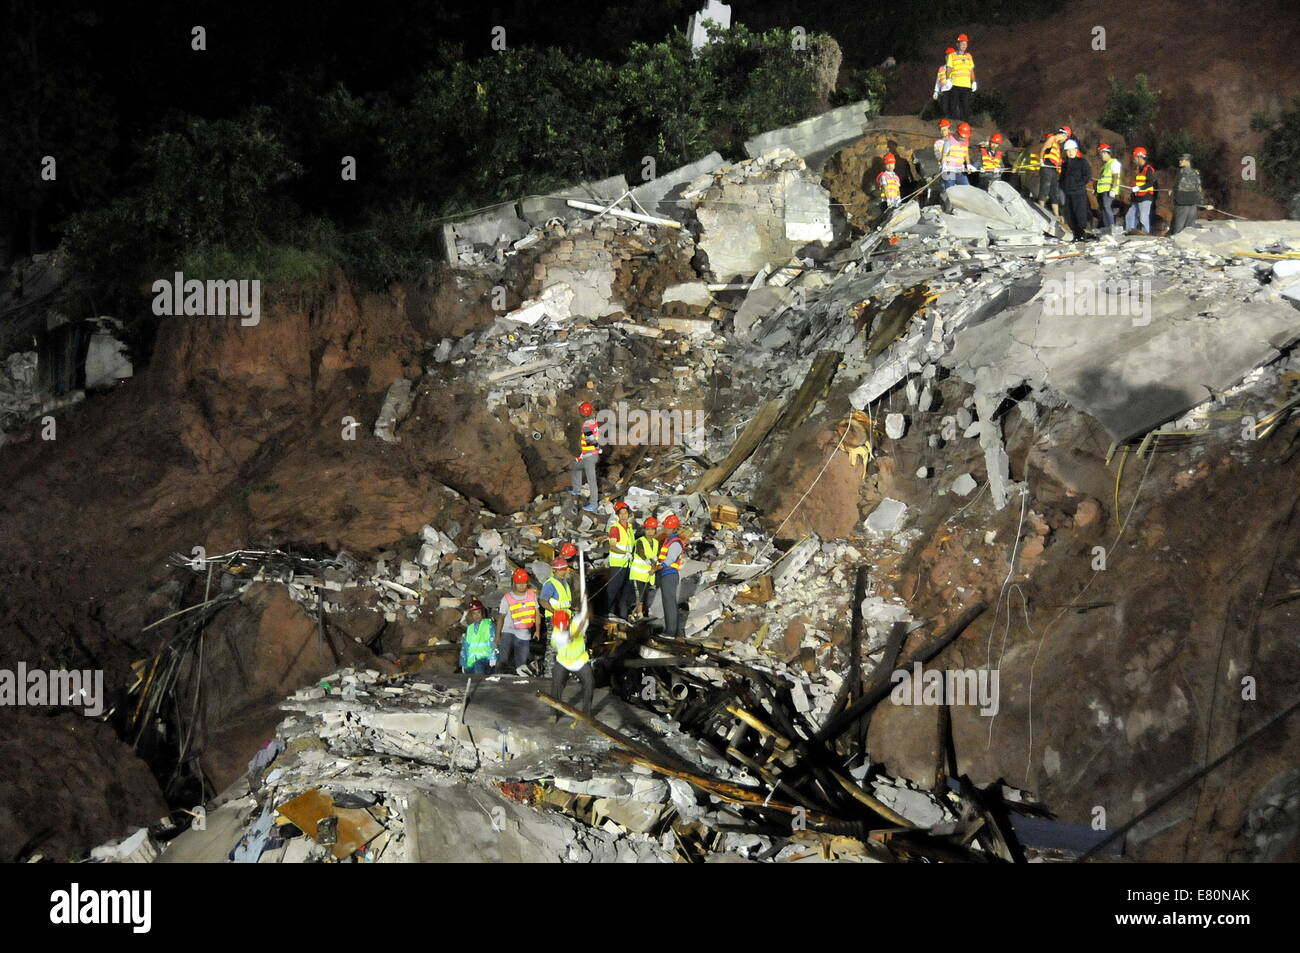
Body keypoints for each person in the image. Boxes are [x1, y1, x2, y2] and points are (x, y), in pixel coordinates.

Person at [547, 610, 594, 716]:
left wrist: (586, 613)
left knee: (589, 683)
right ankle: (553, 714)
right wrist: (578, 631)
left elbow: (587, 614)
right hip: (563, 662)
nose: (562, 628)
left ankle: (587, 714)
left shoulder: (577, 621)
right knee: (556, 685)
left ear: (568, 621)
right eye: (559, 626)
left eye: (564, 625)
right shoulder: (556, 634)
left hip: (580, 661)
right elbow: (570, 638)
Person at [497, 568, 538, 674]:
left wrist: (537, 630)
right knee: (502, 661)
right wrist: (498, 636)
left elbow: (536, 614)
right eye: (519, 583)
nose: (522, 586)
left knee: (521, 665)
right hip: (508, 632)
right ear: (514, 583)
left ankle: (520, 687)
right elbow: (501, 618)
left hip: (524, 634)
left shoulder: (532, 596)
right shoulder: (507, 598)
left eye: (524, 583)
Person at [539, 557, 574, 676]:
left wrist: (571, 609)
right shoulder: (550, 584)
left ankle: (563, 671)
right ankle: (549, 673)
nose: (564, 571)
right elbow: (543, 601)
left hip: (565, 618)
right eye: (561, 569)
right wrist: (555, 612)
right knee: (553, 647)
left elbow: (565, 602)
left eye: (564, 569)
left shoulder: (565, 583)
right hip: (554, 619)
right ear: (555, 570)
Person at [654, 514, 686, 639]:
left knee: (669, 604)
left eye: (667, 527)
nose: (665, 529)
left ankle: (670, 632)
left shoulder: (675, 543)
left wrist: (658, 567)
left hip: (669, 574)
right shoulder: (669, 540)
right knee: (668, 603)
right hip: (665, 574)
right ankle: (674, 631)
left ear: (673, 529)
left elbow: (670, 559)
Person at [568, 400, 600, 512]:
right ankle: (576, 489)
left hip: (590, 456)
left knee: (592, 480)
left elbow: (591, 440)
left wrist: (596, 448)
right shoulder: (593, 421)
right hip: (588, 454)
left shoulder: (587, 425)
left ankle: (594, 504)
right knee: (576, 467)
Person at [605, 501, 635, 620]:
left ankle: (622, 614)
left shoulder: (630, 528)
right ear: (618, 515)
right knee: (613, 589)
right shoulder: (615, 528)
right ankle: (607, 612)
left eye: (625, 512)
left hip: (628, 564)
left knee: (625, 590)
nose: (624, 515)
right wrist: (625, 553)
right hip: (618, 564)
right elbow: (612, 546)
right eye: (621, 513)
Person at [1061, 139, 1093, 242]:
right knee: (1070, 215)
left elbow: (1087, 175)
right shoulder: (1065, 164)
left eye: (1072, 150)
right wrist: (1062, 186)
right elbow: (1062, 178)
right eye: (1068, 150)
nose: (1070, 152)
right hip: (1068, 193)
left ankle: (1082, 235)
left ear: (1076, 150)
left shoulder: (1082, 162)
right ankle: (1075, 235)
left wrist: (1078, 185)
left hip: (1078, 193)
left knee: (1080, 214)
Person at [628, 516, 659, 621]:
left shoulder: (656, 543)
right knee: (639, 594)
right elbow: (642, 554)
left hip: (649, 574)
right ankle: (639, 613)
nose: (650, 532)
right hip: (638, 573)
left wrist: (655, 566)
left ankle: (641, 612)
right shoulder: (640, 541)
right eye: (648, 529)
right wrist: (651, 565)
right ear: (645, 530)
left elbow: (655, 556)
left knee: (646, 594)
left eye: (652, 529)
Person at [458, 599, 496, 675]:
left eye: (478, 612)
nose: (477, 616)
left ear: (482, 613)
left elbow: (493, 642)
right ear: (471, 615)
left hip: (485, 660)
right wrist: (463, 662)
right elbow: (465, 646)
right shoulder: (470, 628)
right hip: (471, 662)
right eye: (474, 613)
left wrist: (493, 658)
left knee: (478, 668)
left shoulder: (489, 625)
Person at [1169, 153, 1203, 236]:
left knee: (1178, 228)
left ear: (1187, 161)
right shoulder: (1196, 173)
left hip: (1181, 203)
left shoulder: (1181, 172)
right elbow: (1199, 188)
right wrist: (1200, 202)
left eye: (1182, 160)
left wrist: (1172, 192)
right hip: (1193, 203)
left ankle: (1175, 247)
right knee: (1190, 228)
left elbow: (1176, 186)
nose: (1179, 161)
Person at [945, 33, 977, 123]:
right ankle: (953, 125)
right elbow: (948, 69)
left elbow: (971, 70)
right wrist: (948, 80)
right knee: (953, 107)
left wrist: (974, 82)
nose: (964, 45)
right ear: (957, 44)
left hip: (966, 86)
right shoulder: (952, 56)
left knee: (965, 108)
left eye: (965, 43)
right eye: (962, 43)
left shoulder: (969, 56)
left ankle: (965, 125)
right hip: (955, 85)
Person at [1125, 147, 1156, 234]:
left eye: (1135, 157)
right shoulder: (1139, 170)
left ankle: (1146, 234)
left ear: (1139, 157)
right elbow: (1138, 183)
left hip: (1146, 197)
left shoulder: (1148, 169)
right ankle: (1129, 232)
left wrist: (1139, 188)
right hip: (1137, 198)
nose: (1134, 159)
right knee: (1130, 215)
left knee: (1143, 217)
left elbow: (1150, 183)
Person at [1038, 127, 1068, 219]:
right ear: (1064, 135)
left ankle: (1057, 215)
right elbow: (1043, 149)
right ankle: (1041, 212)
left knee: (1054, 192)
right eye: (1066, 138)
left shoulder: (1058, 146)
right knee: (1045, 189)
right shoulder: (1052, 139)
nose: (1064, 140)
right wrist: (1041, 160)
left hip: (1053, 169)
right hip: (1046, 167)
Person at [1094, 143, 1122, 231]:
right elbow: (1102, 180)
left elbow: (1115, 177)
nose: (1101, 156)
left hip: (1109, 190)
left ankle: (1111, 226)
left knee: (1107, 207)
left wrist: (1113, 189)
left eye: (1101, 154)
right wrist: (1096, 190)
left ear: (1106, 153)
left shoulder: (1114, 163)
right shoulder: (1105, 165)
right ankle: (1107, 227)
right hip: (1103, 191)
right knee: (1103, 208)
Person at [940, 121, 973, 191]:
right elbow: (944, 154)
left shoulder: (965, 140)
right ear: (957, 132)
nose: (963, 139)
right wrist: (944, 165)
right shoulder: (949, 140)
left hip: (959, 170)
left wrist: (968, 164)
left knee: (967, 189)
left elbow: (966, 153)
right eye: (962, 137)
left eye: (965, 137)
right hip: (949, 170)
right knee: (950, 190)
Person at [933, 47, 955, 120]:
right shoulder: (941, 68)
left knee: (953, 108)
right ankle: (945, 122)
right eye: (947, 56)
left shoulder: (956, 67)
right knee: (944, 108)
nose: (948, 57)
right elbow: (938, 80)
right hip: (944, 91)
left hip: (954, 90)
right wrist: (936, 91)